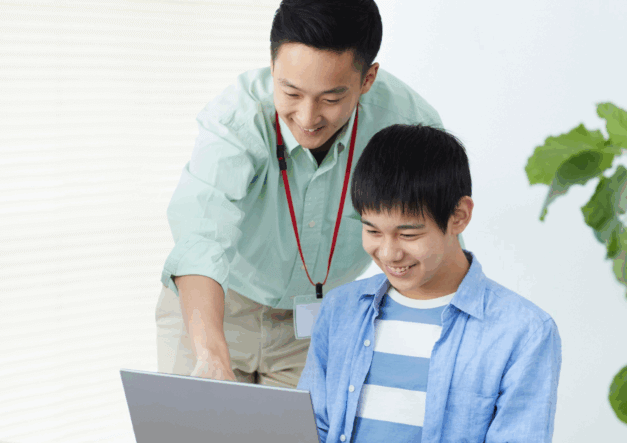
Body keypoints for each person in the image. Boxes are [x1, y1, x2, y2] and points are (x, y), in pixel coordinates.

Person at [156, 0, 442, 388]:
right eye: (290, 92)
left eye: (331, 99)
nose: (307, 119)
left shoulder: (405, 125)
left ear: (367, 79)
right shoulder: (238, 117)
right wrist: (210, 354)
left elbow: (431, 240)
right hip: (215, 307)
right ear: (273, 67)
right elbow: (200, 238)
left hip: (316, 322)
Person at [297, 124, 562, 442]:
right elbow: (311, 428)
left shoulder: (523, 331)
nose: (389, 253)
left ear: (459, 216)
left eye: (408, 234)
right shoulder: (341, 309)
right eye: (373, 231)